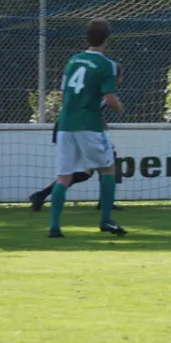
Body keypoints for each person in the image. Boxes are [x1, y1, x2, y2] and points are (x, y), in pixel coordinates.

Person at [49, 18, 125, 238]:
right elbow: (110, 99)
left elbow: (65, 92)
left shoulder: (73, 61)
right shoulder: (106, 65)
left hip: (65, 124)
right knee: (108, 169)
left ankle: (54, 227)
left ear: (87, 37)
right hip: (89, 124)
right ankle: (106, 221)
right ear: (107, 40)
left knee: (64, 177)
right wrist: (119, 106)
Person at [30, 64, 123, 213]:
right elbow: (94, 110)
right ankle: (106, 203)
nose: (120, 80)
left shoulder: (89, 86)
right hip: (81, 130)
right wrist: (107, 121)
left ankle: (40, 196)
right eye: (119, 76)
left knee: (84, 173)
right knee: (106, 160)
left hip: (67, 127)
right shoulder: (103, 90)